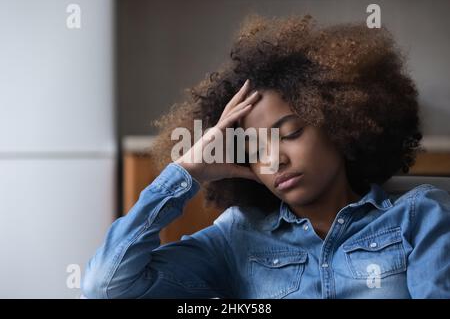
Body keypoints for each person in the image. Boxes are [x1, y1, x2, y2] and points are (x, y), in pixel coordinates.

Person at [82, 15, 450, 298]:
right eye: (255, 151)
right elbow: (107, 285)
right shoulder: (236, 237)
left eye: (289, 134)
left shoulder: (419, 216)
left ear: (341, 126)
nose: (274, 161)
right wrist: (186, 170)